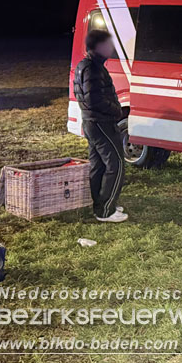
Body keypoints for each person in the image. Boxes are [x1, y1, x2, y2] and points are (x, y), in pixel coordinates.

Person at [73, 29, 128, 222]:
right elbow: (95, 100)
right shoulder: (93, 68)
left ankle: (101, 204)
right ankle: (106, 210)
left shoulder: (86, 65)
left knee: (98, 164)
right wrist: (116, 110)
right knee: (116, 164)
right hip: (100, 123)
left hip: (92, 122)